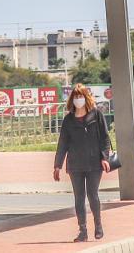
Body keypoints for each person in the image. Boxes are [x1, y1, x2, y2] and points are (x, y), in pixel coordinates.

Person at [52, 84, 111, 242]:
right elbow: (63, 143)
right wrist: (57, 165)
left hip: (94, 164)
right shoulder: (68, 120)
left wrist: (105, 158)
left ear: (86, 97)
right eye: (76, 97)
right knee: (79, 197)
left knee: (92, 194)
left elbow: (105, 138)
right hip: (75, 165)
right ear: (72, 99)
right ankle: (82, 231)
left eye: (81, 96)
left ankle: (98, 226)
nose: (78, 99)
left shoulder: (96, 115)